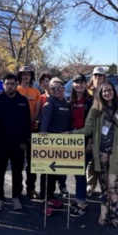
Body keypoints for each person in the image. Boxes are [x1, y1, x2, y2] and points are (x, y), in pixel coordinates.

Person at [73, 81, 118, 229]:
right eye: (104, 91)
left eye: (109, 90)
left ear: (113, 91)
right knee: (104, 186)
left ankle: (116, 214)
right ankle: (104, 213)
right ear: (100, 94)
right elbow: (87, 129)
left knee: (113, 185)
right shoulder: (96, 110)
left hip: (117, 153)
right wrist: (71, 133)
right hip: (101, 154)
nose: (107, 93)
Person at [0, 73, 31, 211]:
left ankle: (16, 197)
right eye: (7, 84)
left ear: (16, 85)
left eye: (12, 84)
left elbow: (27, 122)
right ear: (3, 85)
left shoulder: (23, 101)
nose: (10, 86)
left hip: (18, 144)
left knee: (17, 172)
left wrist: (25, 139)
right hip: (0, 144)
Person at [38, 77, 71, 217]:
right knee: (48, 172)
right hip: (50, 141)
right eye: (53, 88)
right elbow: (45, 117)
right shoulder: (50, 102)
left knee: (57, 171)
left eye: (58, 88)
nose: (56, 90)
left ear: (63, 89)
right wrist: (43, 131)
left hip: (63, 142)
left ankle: (51, 196)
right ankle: (45, 199)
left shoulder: (66, 103)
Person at [67, 74, 93, 217]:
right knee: (77, 172)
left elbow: (94, 123)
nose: (79, 85)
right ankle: (80, 198)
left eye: (81, 82)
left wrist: (91, 141)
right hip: (73, 140)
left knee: (79, 171)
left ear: (86, 84)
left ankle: (81, 202)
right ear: (73, 84)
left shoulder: (90, 101)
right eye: (76, 82)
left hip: (86, 140)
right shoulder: (70, 101)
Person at [17, 65, 42, 200]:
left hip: (33, 130)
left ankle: (31, 188)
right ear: (19, 76)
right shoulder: (16, 90)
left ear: (31, 76)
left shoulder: (36, 91)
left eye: (28, 74)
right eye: (23, 74)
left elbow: (37, 110)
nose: (26, 76)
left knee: (32, 162)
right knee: (18, 161)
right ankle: (18, 188)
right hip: (18, 132)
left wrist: (29, 123)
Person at [85, 66, 108, 196]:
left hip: (104, 134)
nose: (98, 78)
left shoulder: (107, 93)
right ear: (92, 77)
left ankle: (105, 188)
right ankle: (90, 185)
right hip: (87, 132)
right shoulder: (87, 93)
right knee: (90, 162)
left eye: (100, 76)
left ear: (104, 78)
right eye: (95, 76)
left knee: (102, 162)